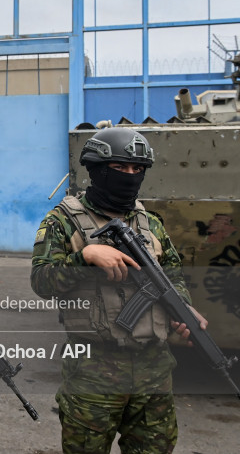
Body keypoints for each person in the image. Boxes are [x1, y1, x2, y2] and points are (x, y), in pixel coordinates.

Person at [30, 127, 207, 454]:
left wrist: (183, 307)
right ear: (97, 170)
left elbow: (173, 276)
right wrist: (85, 257)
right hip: (93, 373)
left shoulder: (150, 223)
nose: (129, 175)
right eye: (119, 167)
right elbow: (42, 281)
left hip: (154, 371)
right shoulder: (63, 221)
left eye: (137, 169)